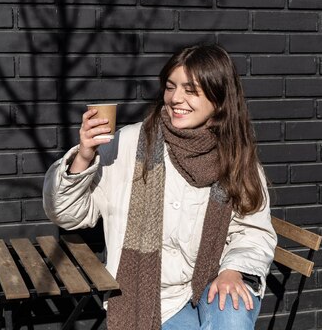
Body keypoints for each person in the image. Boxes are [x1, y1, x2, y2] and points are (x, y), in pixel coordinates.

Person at [43, 44, 277, 330]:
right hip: (154, 299)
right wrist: (83, 156)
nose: (176, 98)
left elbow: (254, 231)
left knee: (233, 318)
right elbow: (66, 214)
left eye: (191, 90)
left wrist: (234, 270)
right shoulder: (128, 144)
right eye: (170, 86)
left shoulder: (237, 157)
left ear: (219, 98)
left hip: (215, 281)